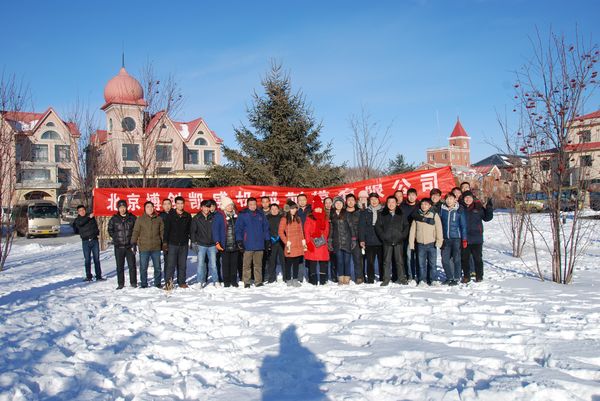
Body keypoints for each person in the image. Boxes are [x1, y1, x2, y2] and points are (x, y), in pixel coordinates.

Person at [236, 197, 270, 288]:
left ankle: (258, 281)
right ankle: (246, 281)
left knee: (258, 264)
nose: (253, 206)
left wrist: (267, 240)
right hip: (248, 244)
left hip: (259, 244)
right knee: (246, 265)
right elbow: (238, 229)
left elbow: (266, 228)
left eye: (254, 204)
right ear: (247, 205)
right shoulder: (243, 215)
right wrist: (239, 241)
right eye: (250, 204)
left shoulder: (260, 214)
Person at [375, 196, 409, 286]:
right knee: (386, 261)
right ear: (387, 203)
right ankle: (386, 279)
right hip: (387, 241)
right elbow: (378, 227)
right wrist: (383, 236)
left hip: (398, 241)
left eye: (393, 202)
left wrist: (402, 236)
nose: (391, 204)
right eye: (389, 202)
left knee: (399, 261)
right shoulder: (382, 214)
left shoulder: (401, 214)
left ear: (396, 203)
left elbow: (406, 226)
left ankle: (402, 278)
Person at [461, 191, 494, 283]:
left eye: (469, 197)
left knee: (477, 258)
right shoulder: (460, 208)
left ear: (473, 198)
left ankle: (479, 276)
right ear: (463, 199)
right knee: (465, 258)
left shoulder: (478, 207)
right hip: (464, 238)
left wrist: (489, 208)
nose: (468, 199)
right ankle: (466, 276)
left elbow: (487, 218)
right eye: (466, 198)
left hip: (477, 238)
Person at [409, 198, 443, 286]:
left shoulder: (434, 215)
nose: (424, 206)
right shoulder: (417, 216)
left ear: (430, 206)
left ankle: (433, 279)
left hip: (432, 243)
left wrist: (439, 241)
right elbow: (413, 231)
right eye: (422, 204)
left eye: (426, 204)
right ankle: (422, 280)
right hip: (420, 244)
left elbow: (439, 228)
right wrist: (411, 243)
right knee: (421, 264)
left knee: (432, 263)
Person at [132, 201, 164, 288]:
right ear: (145, 209)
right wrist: (133, 242)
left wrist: (164, 243)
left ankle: (157, 283)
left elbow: (162, 232)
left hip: (156, 247)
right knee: (143, 267)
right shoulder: (140, 219)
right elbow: (136, 231)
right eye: (148, 207)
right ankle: (144, 283)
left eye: (151, 207)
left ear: (154, 208)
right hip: (144, 247)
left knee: (157, 267)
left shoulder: (158, 219)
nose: (150, 209)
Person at [108, 200, 138, 290]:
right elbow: (110, 230)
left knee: (132, 266)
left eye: (124, 207)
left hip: (130, 246)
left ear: (126, 207)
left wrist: (133, 241)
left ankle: (133, 282)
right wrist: (116, 237)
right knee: (120, 266)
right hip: (119, 246)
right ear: (118, 208)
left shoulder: (132, 218)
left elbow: (136, 230)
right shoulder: (114, 219)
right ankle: (120, 283)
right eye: (120, 207)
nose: (122, 209)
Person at [163, 196, 192, 289]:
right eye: (178, 203)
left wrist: (191, 240)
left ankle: (181, 282)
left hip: (183, 244)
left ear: (184, 204)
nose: (180, 205)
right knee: (170, 265)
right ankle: (168, 283)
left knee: (182, 264)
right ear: (175, 204)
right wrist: (165, 243)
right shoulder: (170, 215)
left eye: (182, 203)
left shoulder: (187, 216)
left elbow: (190, 230)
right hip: (172, 244)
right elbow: (166, 230)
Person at [439, 192, 467, 286]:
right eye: (447, 199)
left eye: (451, 198)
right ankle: (449, 277)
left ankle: (456, 277)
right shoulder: (442, 210)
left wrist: (464, 239)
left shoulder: (459, 210)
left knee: (456, 259)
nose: (449, 201)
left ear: (455, 200)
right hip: (445, 239)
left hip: (456, 238)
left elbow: (463, 226)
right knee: (444, 259)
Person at [212, 196, 239, 287]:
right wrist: (217, 242)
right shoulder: (219, 216)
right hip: (225, 243)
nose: (230, 207)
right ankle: (226, 281)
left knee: (234, 263)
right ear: (224, 206)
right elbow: (215, 230)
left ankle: (233, 280)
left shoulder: (236, 215)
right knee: (225, 263)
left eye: (231, 205)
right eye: (228, 205)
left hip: (235, 243)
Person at [72, 205, 104, 282]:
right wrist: (88, 217)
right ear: (78, 212)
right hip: (85, 242)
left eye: (83, 210)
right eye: (80, 211)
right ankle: (88, 276)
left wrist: (96, 233)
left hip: (94, 240)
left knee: (96, 259)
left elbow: (95, 226)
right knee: (87, 259)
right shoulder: (77, 220)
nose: (82, 212)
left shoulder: (91, 217)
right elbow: (81, 223)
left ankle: (98, 276)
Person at [278, 200, 306, 287]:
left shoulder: (298, 219)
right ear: (288, 209)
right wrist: (286, 241)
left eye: (295, 208)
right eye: (292, 208)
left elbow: (301, 231)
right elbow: (280, 232)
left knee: (296, 263)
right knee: (289, 263)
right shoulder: (284, 219)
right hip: (290, 245)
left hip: (298, 244)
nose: (293, 210)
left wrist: (303, 241)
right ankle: (288, 279)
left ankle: (295, 279)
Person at [191, 200, 218, 287]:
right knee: (200, 264)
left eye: (208, 207)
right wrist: (193, 242)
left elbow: (217, 230)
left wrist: (217, 242)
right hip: (201, 244)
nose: (206, 209)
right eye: (204, 207)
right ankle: (199, 281)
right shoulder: (196, 218)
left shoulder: (213, 217)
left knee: (213, 264)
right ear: (201, 207)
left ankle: (216, 281)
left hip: (212, 245)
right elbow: (193, 231)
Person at [304, 196, 330, 285]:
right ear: (313, 209)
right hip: (312, 242)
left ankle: (323, 280)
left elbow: (327, 230)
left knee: (323, 262)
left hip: (322, 242)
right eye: (316, 208)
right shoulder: (309, 218)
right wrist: (308, 242)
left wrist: (322, 238)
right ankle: (313, 280)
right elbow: (307, 231)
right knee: (312, 262)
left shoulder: (325, 218)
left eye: (320, 208)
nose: (318, 210)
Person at [358, 193, 384, 283]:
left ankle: (382, 277)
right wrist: (362, 239)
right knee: (370, 261)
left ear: (378, 200)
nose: (374, 201)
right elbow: (361, 227)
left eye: (375, 199)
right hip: (369, 240)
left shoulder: (383, 211)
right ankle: (370, 278)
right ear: (369, 201)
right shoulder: (365, 212)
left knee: (382, 261)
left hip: (381, 240)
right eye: (372, 199)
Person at [328, 196, 352, 285]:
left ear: (343, 204)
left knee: (347, 261)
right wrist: (330, 240)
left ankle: (347, 277)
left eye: (340, 203)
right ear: (334, 205)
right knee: (340, 261)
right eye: (337, 203)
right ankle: (341, 278)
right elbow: (331, 229)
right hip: (337, 241)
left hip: (347, 241)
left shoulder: (347, 214)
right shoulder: (332, 215)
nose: (338, 204)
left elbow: (351, 227)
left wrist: (353, 239)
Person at [400, 188, 420, 282]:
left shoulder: (421, 205)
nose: (411, 197)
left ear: (416, 196)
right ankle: (410, 276)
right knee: (409, 256)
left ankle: (421, 276)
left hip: (419, 235)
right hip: (407, 235)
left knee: (420, 257)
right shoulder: (403, 207)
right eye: (409, 195)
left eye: (413, 195)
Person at [345, 194, 364, 284]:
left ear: (355, 201)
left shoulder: (359, 212)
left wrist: (362, 239)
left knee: (357, 259)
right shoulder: (343, 213)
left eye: (352, 200)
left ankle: (359, 277)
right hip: (345, 239)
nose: (350, 202)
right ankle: (346, 277)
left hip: (357, 239)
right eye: (348, 200)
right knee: (346, 260)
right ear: (346, 201)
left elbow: (362, 227)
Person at [266, 203, 284, 283]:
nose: (274, 211)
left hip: (281, 242)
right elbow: (266, 230)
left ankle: (285, 277)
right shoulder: (267, 218)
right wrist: (270, 238)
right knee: (272, 261)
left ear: (278, 210)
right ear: (270, 210)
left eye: (275, 209)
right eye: (272, 209)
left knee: (283, 260)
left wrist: (281, 236)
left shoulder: (282, 218)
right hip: (271, 242)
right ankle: (272, 278)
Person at [296, 194, 312, 282]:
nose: (302, 202)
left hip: (309, 237)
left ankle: (310, 276)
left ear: (306, 200)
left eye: (303, 199)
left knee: (309, 257)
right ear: (297, 201)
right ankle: (300, 277)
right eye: (300, 200)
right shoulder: (295, 211)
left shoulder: (311, 210)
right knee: (300, 258)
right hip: (299, 237)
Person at [159, 198, 175, 281]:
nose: (167, 206)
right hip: (165, 242)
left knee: (174, 262)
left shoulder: (175, 214)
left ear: (171, 205)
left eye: (168, 204)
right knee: (167, 261)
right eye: (165, 204)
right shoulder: (160, 216)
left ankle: (172, 278)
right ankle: (167, 280)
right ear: (162, 206)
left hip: (175, 241)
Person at [323, 196, 336, 283]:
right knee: (325, 259)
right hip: (324, 238)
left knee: (334, 258)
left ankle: (334, 276)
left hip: (334, 238)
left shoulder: (336, 212)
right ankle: (325, 276)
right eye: (326, 203)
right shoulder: (322, 213)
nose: (328, 204)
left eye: (330, 202)